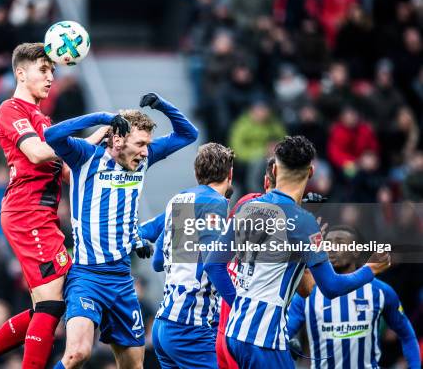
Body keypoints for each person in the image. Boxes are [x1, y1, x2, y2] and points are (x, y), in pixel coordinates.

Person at [0, 43, 106, 369]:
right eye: (43, 70)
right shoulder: (11, 109)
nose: (51, 77)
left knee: (47, 306)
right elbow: (37, 153)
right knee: (51, 305)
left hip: (42, 215)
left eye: (52, 70)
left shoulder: (43, 118)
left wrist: (103, 143)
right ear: (21, 73)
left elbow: (65, 169)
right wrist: (91, 131)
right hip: (27, 213)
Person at [45, 92, 198, 368]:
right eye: (140, 143)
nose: (144, 150)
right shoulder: (85, 156)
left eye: (147, 144)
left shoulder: (145, 159)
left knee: (133, 366)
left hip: (122, 280)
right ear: (117, 139)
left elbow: (189, 134)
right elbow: (52, 135)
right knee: (76, 354)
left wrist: (163, 105)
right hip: (87, 276)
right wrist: (103, 118)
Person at [210, 135, 391, 368]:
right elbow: (332, 287)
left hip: (234, 333)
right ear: (311, 172)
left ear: (274, 170)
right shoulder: (303, 222)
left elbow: (213, 264)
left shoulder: (247, 206)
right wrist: (371, 269)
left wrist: (240, 306)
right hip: (263, 340)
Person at [142, 143, 234, 368]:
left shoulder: (180, 200)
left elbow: (157, 263)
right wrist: (241, 307)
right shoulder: (215, 202)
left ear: (196, 173)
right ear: (230, 174)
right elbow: (214, 265)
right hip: (191, 327)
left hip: (164, 325)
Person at [287, 226, 420, 369]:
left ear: (355, 251)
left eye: (339, 243)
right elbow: (283, 333)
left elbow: (407, 335)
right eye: (327, 243)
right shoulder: (307, 294)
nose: (331, 248)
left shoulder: (380, 291)